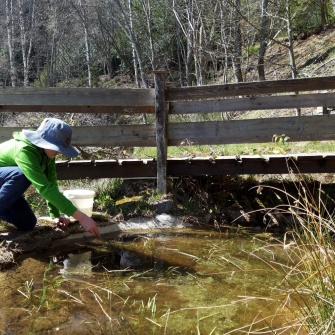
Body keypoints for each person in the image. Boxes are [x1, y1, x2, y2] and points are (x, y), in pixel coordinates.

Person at [0, 118, 101, 238]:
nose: (59, 153)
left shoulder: (48, 155)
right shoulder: (24, 150)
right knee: (21, 175)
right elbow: (44, 187)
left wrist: (55, 214)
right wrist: (82, 217)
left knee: (27, 223)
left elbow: (51, 183)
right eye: (57, 148)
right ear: (43, 141)